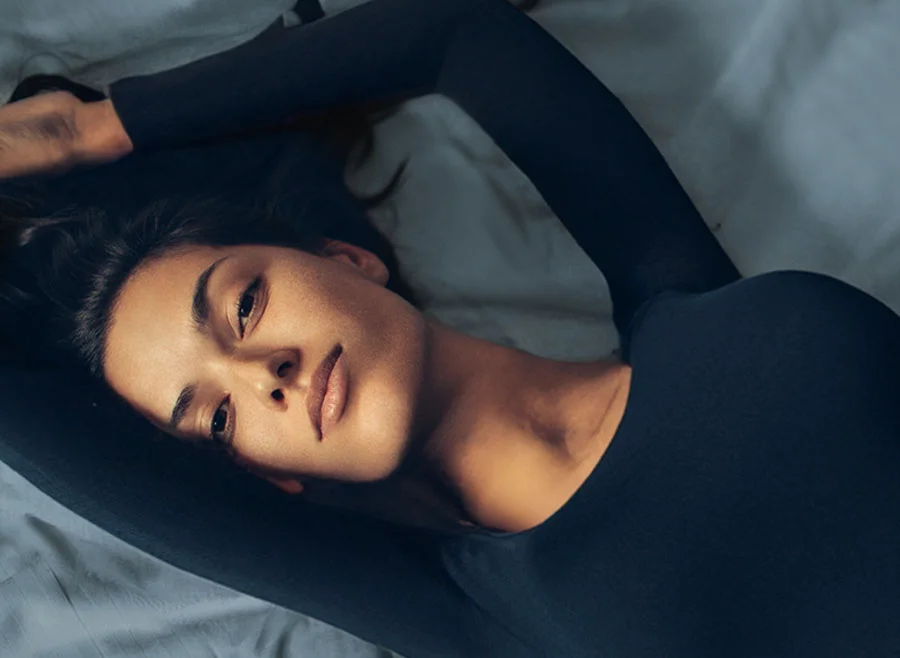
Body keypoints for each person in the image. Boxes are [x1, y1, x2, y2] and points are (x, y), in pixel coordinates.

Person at [1, 0, 899, 656]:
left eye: (242, 306)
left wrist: (96, 128)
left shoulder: (684, 299)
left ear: (345, 259)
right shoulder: (471, 609)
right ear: (269, 480)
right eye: (219, 419)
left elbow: (458, 33)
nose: (262, 373)